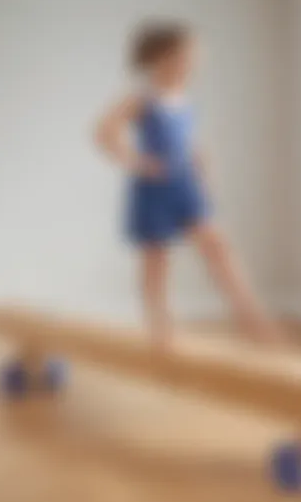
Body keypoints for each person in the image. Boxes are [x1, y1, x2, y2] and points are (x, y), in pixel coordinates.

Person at [95, 20, 279, 349]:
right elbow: (104, 132)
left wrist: (205, 179)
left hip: (186, 185)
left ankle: (250, 317)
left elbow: (192, 146)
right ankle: (160, 329)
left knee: (218, 247)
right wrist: (137, 162)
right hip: (154, 188)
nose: (193, 63)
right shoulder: (141, 99)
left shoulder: (185, 100)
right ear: (162, 58)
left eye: (194, 57)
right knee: (157, 259)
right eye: (187, 56)